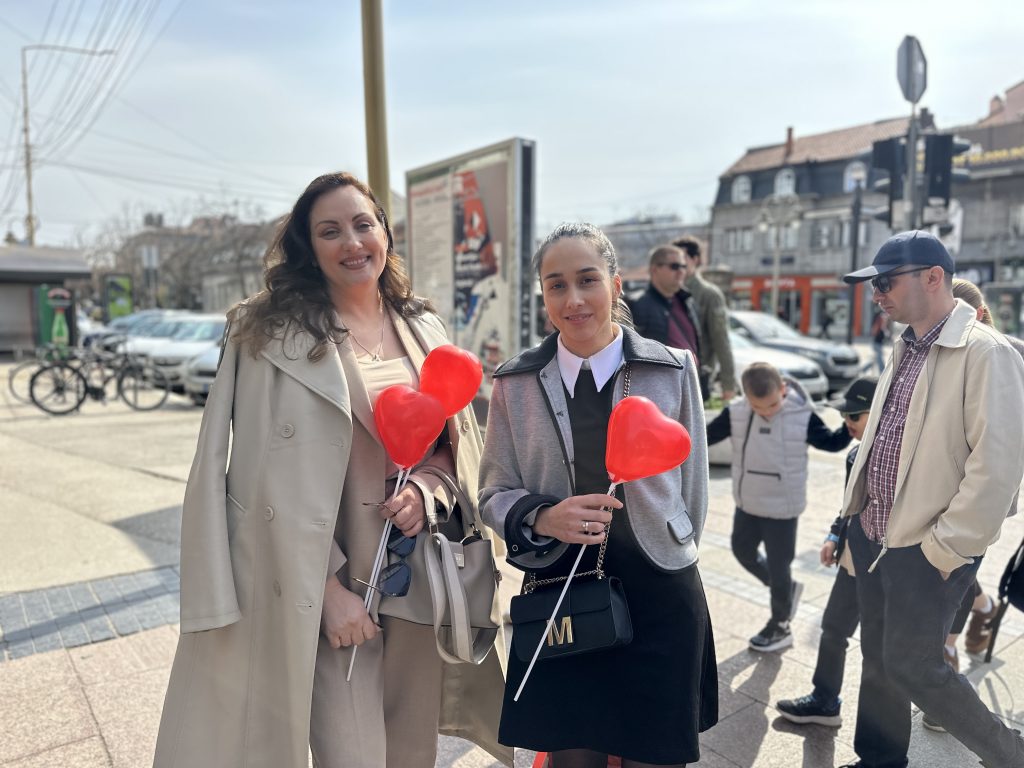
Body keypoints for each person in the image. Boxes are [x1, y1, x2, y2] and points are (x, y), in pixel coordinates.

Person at [152, 172, 509, 768]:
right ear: (309, 247)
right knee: (352, 751)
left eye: (363, 224)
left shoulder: (423, 326)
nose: (352, 242)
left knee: (410, 751)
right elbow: (251, 478)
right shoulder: (265, 333)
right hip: (320, 576)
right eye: (330, 231)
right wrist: (326, 591)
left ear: (385, 234)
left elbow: (453, 445)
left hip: (416, 571)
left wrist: (426, 490)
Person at [480, 222, 718, 767]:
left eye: (587, 280)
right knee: (571, 758)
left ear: (615, 284)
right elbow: (492, 491)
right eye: (556, 285)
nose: (574, 299)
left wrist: (671, 544)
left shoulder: (672, 368)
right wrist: (543, 517)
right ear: (543, 295)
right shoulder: (515, 383)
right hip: (559, 592)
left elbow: (693, 487)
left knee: (655, 756)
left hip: (660, 592)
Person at [837, 230, 1024, 768]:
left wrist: (946, 549)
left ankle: (1009, 754)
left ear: (934, 278)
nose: (877, 294)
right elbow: (882, 438)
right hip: (874, 533)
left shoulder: (987, 352)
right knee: (878, 656)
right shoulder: (907, 344)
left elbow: (997, 468)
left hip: (926, 546)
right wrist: (852, 517)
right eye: (874, 285)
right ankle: (880, 759)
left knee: (915, 666)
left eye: (886, 282)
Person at [706, 363, 851, 652]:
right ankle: (785, 591)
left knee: (779, 566)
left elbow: (832, 443)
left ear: (783, 389)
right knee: (742, 550)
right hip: (748, 502)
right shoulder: (736, 413)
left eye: (773, 404)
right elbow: (702, 436)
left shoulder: (801, 415)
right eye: (758, 407)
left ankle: (780, 624)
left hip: (783, 509)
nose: (767, 412)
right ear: (746, 398)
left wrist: (852, 424)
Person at [775, 376, 878, 727]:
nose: (846, 422)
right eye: (844, 415)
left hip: (885, 565)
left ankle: (882, 736)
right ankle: (824, 700)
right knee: (833, 629)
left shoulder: (898, 456)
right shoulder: (854, 455)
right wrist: (835, 535)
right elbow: (850, 505)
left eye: (854, 416)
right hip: (852, 557)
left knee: (880, 651)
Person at [628, 244, 703, 391]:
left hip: (691, 384)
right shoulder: (637, 304)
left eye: (683, 266)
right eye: (674, 266)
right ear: (654, 269)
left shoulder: (687, 301)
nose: (681, 271)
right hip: (660, 387)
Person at [673, 235, 737, 401]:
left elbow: (721, 340)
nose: (678, 265)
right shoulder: (665, 292)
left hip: (697, 377)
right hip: (668, 376)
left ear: (695, 260)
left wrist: (728, 385)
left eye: (683, 259)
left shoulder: (709, 294)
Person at [870, 308, 890, 374]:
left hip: (878, 341)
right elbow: (877, 328)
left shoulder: (881, 319)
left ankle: (864, 369)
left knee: (876, 358)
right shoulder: (881, 318)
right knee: (879, 357)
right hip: (877, 341)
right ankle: (882, 372)